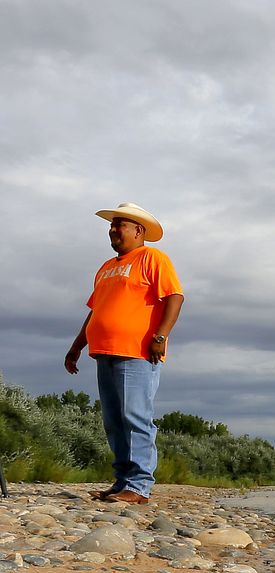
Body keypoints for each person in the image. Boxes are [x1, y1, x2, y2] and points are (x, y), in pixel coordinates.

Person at [64, 202, 184, 504]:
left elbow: (174, 296)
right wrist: (77, 346)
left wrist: (160, 336)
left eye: (121, 225)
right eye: (112, 225)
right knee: (113, 419)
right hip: (104, 350)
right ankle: (122, 483)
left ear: (139, 230)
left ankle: (139, 485)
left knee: (135, 416)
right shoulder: (106, 267)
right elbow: (96, 312)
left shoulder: (152, 257)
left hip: (137, 351)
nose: (114, 230)